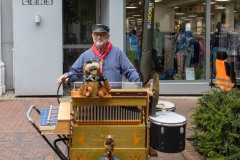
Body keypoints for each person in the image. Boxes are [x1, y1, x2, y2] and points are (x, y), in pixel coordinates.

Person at [57, 24, 140, 86]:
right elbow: (74, 72)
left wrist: (139, 83)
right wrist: (66, 76)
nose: (99, 37)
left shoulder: (117, 53)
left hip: (113, 98)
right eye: (96, 34)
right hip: (92, 99)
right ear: (92, 36)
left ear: (108, 36)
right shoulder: (86, 55)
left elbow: (130, 71)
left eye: (102, 34)